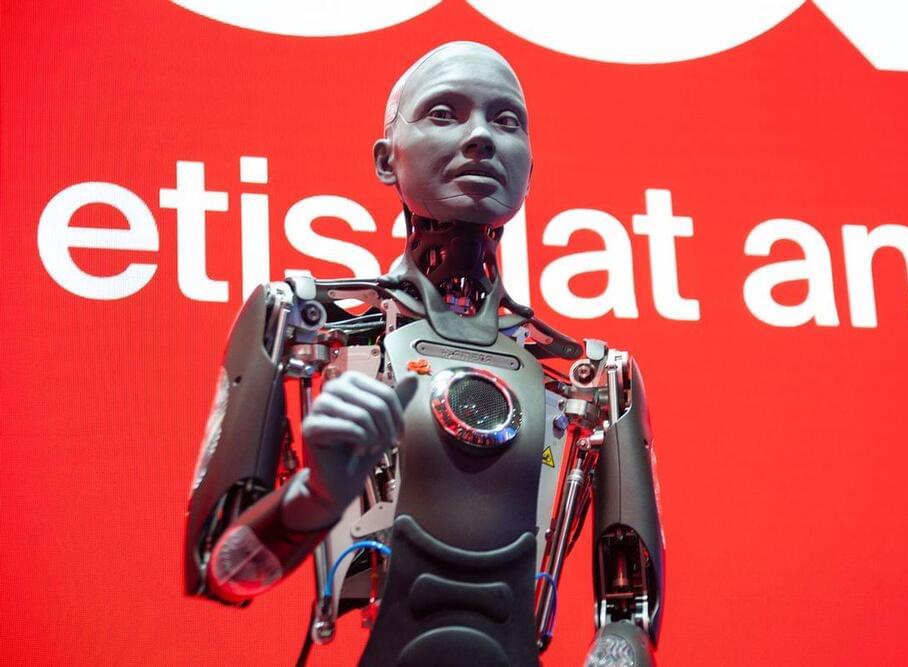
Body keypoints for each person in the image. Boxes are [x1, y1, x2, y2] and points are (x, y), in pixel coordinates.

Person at [185, 42, 663, 666]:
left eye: (507, 121)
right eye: (443, 113)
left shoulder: (593, 378)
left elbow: (628, 615)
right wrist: (316, 495)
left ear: (529, 170)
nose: (481, 137)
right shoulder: (302, 323)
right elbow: (223, 572)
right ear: (387, 160)